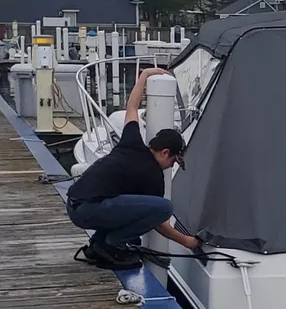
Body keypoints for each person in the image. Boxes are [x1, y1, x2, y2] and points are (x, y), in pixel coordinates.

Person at [67, 66, 200, 269]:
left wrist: (144, 76)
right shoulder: (153, 176)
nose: (172, 165)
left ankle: (97, 246)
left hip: (75, 203)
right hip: (88, 209)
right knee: (164, 207)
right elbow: (158, 222)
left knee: (127, 206)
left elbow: (131, 107)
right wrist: (187, 241)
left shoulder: (131, 141)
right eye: (174, 160)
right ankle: (112, 245)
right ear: (165, 152)